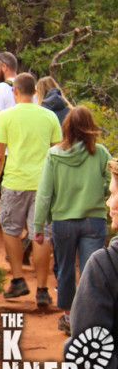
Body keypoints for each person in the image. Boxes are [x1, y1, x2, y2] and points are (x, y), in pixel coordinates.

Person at [32, 106, 111, 335]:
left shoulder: (54, 154)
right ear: (90, 126)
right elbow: (111, 180)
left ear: (66, 126)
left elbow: (45, 193)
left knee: (65, 269)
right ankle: (89, 319)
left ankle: (68, 317)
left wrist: (39, 226)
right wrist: (100, 191)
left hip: (62, 222)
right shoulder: (101, 153)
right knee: (91, 271)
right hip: (93, 221)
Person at [0, 72, 62, 305]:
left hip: (14, 183)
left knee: (11, 229)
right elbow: (59, 152)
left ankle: (19, 280)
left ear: (15, 92)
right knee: (41, 234)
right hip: (44, 185)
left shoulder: (6, 117)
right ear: (35, 92)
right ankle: (42, 289)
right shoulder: (49, 116)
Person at [66, 158, 118, 369]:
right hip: (91, 226)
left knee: (66, 269)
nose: (111, 203)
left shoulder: (106, 266)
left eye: (113, 194)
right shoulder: (98, 151)